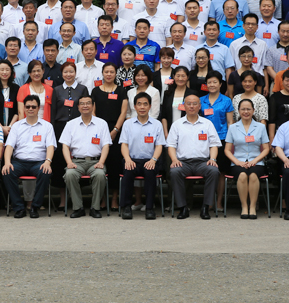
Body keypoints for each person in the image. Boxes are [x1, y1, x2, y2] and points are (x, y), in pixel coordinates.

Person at [167, 93, 221, 220]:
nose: (191, 106)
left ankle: (206, 207)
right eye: (189, 103)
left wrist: (212, 159)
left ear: (199, 106)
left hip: (202, 162)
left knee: (213, 171)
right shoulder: (177, 124)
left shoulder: (207, 124)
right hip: (183, 162)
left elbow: (214, 145)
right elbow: (171, 145)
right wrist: (174, 160)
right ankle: (183, 207)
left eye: (195, 103)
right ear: (184, 106)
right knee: (174, 172)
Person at [2, 95, 56, 218]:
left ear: (38, 108)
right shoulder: (17, 126)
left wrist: (48, 161)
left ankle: (35, 207)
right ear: (24, 108)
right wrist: (7, 162)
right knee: (7, 172)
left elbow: (50, 146)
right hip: (19, 162)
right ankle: (19, 208)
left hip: (39, 162)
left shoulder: (47, 126)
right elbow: (9, 146)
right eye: (28, 107)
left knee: (45, 172)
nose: (30, 109)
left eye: (33, 107)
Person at [61, 95, 111, 218]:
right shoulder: (71, 124)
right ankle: (78, 208)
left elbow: (106, 145)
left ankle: (95, 208)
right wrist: (69, 162)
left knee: (100, 175)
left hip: (96, 162)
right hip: (76, 162)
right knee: (70, 174)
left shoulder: (102, 123)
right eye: (82, 103)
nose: (85, 106)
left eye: (88, 103)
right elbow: (65, 146)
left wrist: (101, 162)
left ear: (93, 106)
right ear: (78, 107)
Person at [118, 92, 166, 220]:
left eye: (145, 104)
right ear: (135, 106)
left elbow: (159, 145)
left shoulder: (157, 124)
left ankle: (149, 208)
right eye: (139, 104)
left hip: (150, 160)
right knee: (128, 172)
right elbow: (124, 144)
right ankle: (126, 207)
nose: (142, 107)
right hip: (132, 159)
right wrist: (127, 159)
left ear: (150, 106)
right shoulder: (128, 124)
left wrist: (153, 160)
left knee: (150, 173)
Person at [50, 62, 89, 209]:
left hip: (79, 127)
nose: (68, 74)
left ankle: (77, 199)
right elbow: (53, 112)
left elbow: (87, 109)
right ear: (62, 74)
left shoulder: (82, 89)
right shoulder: (57, 90)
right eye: (65, 72)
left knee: (78, 159)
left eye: (71, 71)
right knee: (61, 162)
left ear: (75, 73)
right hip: (60, 128)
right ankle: (63, 199)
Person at [224, 99, 271, 218]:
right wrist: (237, 162)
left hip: (257, 162)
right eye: (243, 109)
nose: (246, 112)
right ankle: (244, 206)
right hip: (238, 162)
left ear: (253, 110)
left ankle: (253, 206)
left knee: (254, 175)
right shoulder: (233, 127)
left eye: (248, 109)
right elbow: (227, 150)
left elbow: (266, 148)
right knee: (242, 175)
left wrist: (255, 160)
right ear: (239, 111)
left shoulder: (261, 127)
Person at [91, 63, 128, 210]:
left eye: (112, 72)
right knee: (100, 164)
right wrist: (102, 131)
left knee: (114, 165)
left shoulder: (121, 90)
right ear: (102, 73)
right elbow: (93, 112)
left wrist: (115, 130)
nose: (109, 74)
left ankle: (114, 199)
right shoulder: (95, 91)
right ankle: (102, 198)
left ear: (115, 74)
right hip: (98, 131)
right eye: (106, 72)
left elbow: (123, 112)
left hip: (116, 132)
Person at [200, 71, 235, 210]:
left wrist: (230, 141)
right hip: (203, 140)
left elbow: (230, 122)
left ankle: (219, 202)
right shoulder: (200, 100)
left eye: (215, 82)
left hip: (222, 139)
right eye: (209, 82)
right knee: (207, 170)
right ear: (206, 84)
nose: (212, 85)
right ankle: (208, 202)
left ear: (220, 84)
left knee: (220, 172)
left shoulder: (226, 101)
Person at [0, 60, 21, 138]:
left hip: (12, 129)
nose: (4, 72)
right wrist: (1, 128)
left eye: (7, 69)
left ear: (11, 71)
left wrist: (10, 127)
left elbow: (17, 111)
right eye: (2, 69)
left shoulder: (16, 88)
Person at [160, 67, 197, 137]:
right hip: (171, 131)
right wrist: (166, 133)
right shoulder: (168, 94)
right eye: (178, 76)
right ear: (174, 76)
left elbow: (196, 114)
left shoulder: (192, 94)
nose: (180, 79)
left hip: (188, 132)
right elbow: (164, 116)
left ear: (187, 77)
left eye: (183, 76)